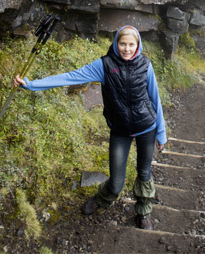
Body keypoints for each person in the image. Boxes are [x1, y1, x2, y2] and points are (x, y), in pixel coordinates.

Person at [15, 25, 166, 229]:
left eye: (131, 44)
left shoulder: (145, 65)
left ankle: (144, 212)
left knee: (144, 173)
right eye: (123, 44)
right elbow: (70, 77)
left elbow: (155, 99)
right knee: (115, 183)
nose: (127, 49)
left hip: (146, 127)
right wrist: (31, 84)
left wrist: (161, 133)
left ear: (138, 45)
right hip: (120, 131)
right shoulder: (104, 65)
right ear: (116, 43)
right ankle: (102, 199)